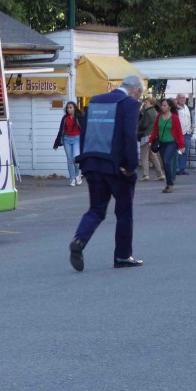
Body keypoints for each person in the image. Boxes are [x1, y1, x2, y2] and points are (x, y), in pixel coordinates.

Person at [69, 74, 145, 271]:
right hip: (116, 167)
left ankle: (79, 240)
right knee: (124, 212)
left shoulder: (96, 101)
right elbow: (129, 136)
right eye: (140, 94)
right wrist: (131, 166)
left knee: (96, 209)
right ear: (136, 90)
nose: (138, 98)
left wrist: (85, 159)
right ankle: (122, 255)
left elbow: (85, 131)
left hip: (93, 163)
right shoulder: (129, 104)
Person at [148, 98, 185, 194]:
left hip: (172, 143)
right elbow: (155, 130)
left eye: (165, 105)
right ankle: (169, 182)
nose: (162, 107)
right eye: (162, 105)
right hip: (161, 143)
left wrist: (181, 146)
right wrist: (151, 140)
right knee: (165, 163)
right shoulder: (159, 116)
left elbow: (179, 132)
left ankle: (170, 184)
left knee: (166, 160)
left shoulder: (174, 118)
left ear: (169, 107)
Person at [53, 101, 85, 187]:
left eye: (70, 107)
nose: (68, 109)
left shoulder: (79, 117)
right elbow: (60, 131)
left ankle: (78, 174)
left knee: (75, 158)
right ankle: (72, 178)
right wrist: (56, 143)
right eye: (67, 108)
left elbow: (84, 129)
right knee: (69, 160)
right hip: (67, 139)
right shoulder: (65, 118)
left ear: (74, 108)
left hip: (77, 139)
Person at [137, 97, 164, 182]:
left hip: (146, 135)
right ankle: (160, 174)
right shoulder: (155, 111)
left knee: (144, 156)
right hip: (153, 135)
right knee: (153, 155)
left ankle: (146, 175)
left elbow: (143, 124)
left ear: (150, 103)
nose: (145, 103)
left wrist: (137, 126)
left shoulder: (147, 112)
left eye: (146, 102)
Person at [174, 94, 191, 174]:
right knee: (178, 151)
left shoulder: (186, 107)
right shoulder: (175, 109)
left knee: (185, 151)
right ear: (177, 99)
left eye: (183, 98)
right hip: (179, 133)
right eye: (180, 98)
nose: (182, 99)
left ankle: (182, 168)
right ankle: (177, 168)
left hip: (187, 132)